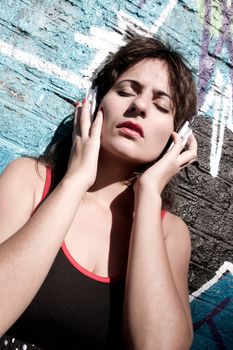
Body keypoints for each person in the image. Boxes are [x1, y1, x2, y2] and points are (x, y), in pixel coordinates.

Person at [0, 35, 197, 350]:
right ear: (93, 103)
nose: (140, 106)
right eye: (125, 91)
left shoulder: (171, 234)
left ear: (178, 138)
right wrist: (76, 181)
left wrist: (148, 195)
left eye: (162, 105)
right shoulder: (30, 182)